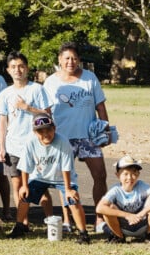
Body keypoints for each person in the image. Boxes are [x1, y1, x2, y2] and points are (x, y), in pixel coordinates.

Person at [43, 42, 112, 227]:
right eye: (66, 58)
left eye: (74, 58)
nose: (70, 62)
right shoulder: (51, 82)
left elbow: (100, 106)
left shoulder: (90, 78)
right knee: (64, 181)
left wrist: (105, 129)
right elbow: (46, 111)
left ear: (79, 60)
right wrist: (47, 136)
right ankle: (67, 220)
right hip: (62, 137)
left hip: (89, 137)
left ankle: (100, 218)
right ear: (59, 60)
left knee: (100, 175)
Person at [8, 115, 90, 244]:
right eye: (41, 131)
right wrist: (24, 186)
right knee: (24, 196)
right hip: (40, 176)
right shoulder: (30, 142)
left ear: (55, 129)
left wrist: (68, 189)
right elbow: (25, 166)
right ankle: (19, 226)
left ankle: (84, 234)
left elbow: (66, 166)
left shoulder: (62, 141)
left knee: (73, 199)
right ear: (35, 132)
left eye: (49, 130)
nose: (46, 134)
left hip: (62, 178)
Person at [0, 52, 54, 222]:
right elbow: (3, 121)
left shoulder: (37, 89)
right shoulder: (5, 93)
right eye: (13, 67)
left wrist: (27, 107)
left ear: (27, 68)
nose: (17, 70)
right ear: (8, 70)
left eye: (21, 66)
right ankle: (23, 221)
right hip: (14, 146)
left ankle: (50, 219)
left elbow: (48, 114)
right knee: (17, 184)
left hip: (35, 145)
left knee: (40, 186)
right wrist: (2, 147)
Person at [96, 156, 150, 244]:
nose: (130, 177)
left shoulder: (141, 185)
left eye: (134, 173)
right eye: (125, 174)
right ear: (118, 175)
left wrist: (141, 214)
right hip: (122, 228)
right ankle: (118, 237)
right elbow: (99, 208)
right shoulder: (115, 190)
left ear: (138, 174)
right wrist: (127, 215)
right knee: (109, 208)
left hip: (141, 225)